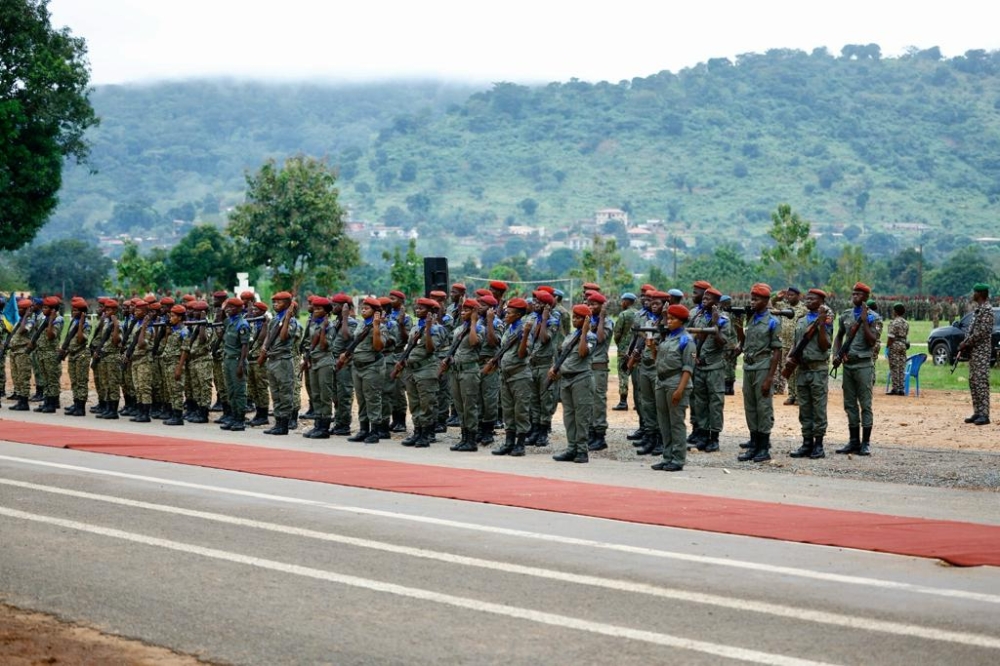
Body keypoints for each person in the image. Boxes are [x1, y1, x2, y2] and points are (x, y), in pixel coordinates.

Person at [832, 283, 880, 455]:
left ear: (866, 297)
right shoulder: (845, 315)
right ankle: (853, 441)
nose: (854, 296)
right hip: (848, 365)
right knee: (850, 404)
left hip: (863, 365)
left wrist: (865, 321)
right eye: (853, 293)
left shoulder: (874, 317)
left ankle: (865, 443)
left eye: (858, 294)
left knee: (865, 404)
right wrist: (837, 353)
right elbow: (839, 336)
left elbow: (872, 341)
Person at [737, 284, 782, 463]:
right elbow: (745, 342)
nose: (752, 302)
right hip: (749, 367)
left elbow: (777, 351)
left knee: (763, 407)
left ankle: (763, 448)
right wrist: (738, 327)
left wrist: (770, 377)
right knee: (750, 407)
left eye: (756, 299)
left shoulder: (773, 322)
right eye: (752, 298)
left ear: (765, 301)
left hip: (763, 367)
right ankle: (754, 445)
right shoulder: (752, 319)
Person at [788, 289, 834, 459]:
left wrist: (820, 325)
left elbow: (825, 345)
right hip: (802, 369)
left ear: (821, 301)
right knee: (804, 407)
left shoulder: (826, 319)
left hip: (817, 369)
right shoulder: (801, 320)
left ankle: (818, 445)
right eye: (807, 298)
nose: (808, 301)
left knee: (818, 408)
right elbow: (796, 342)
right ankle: (806, 443)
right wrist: (789, 356)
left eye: (812, 299)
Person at [397, 297, 448, 448]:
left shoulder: (437, 329)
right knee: (414, 403)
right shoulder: (415, 327)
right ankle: (417, 431)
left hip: (426, 369)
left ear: (430, 311)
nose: (417, 310)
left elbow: (431, 349)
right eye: (417, 307)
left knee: (427, 403)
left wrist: (428, 329)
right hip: (412, 369)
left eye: (421, 308)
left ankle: (427, 434)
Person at [650, 304, 694, 472]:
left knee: (676, 423)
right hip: (662, 382)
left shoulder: (686, 340)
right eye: (668, 318)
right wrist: (652, 348)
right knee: (664, 422)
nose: (668, 321)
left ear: (681, 321)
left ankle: (678, 458)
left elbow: (688, 368)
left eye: (673, 319)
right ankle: (667, 456)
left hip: (676, 382)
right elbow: (658, 361)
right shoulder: (667, 337)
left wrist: (680, 390)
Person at [551, 304, 596, 463]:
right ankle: (571, 448)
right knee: (569, 417)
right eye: (574, 317)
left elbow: (583, 352)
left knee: (581, 417)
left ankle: (582, 451)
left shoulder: (590, 337)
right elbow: (563, 355)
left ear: (586, 320)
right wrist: (555, 368)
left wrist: (584, 332)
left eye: (578, 318)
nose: (574, 320)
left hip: (581, 379)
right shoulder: (570, 336)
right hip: (566, 379)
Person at [688, 287, 730, 453]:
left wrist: (714, 323)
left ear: (716, 303)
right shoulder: (698, 316)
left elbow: (722, 342)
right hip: (699, 366)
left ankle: (714, 438)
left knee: (715, 403)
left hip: (714, 368)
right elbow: (691, 338)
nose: (704, 300)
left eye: (708, 298)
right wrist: (694, 356)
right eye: (704, 298)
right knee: (701, 403)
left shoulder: (723, 320)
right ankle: (703, 435)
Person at [490, 297, 532, 457]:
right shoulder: (509, 329)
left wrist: (525, 335)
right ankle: (509, 442)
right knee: (507, 410)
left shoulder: (524, 330)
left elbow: (522, 354)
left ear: (518, 315)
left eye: (509, 313)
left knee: (520, 410)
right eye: (506, 312)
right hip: (506, 376)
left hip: (519, 376)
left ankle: (520, 444)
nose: (506, 315)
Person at [345, 297, 388, 444]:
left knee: (373, 399)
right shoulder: (361, 324)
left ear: (376, 312)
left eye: (367, 308)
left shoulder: (381, 327)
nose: (363, 310)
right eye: (362, 307)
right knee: (361, 399)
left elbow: (378, 347)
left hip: (372, 366)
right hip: (358, 366)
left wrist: (376, 326)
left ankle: (375, 431)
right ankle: (363, 429)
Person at [259, 292, 301, 435]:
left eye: (279, 302)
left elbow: (283, 337)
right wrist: (264, 348)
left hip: (283, 360)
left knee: (285, 394)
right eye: (274, 302)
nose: (275, 304)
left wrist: (287, 318)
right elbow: (269, 336)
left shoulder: (291, 321)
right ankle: (277, 423)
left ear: (288, 304)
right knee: (275, 393)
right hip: (272, 359)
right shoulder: (275, 319)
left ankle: (284, 425)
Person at [447, 298, 485, 452]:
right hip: (456, 370)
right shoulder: (459, 329)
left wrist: (474, 322)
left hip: (469, 371)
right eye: (462, 310)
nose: (463, 312)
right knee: (459, 406)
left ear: (474, 312)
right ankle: (464, 437)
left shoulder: (479, 328)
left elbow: (474, 342)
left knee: (469, 406)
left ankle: (471, 440)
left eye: (467, 310)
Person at [959, 283, 995, 426]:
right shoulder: (978, 309)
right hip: (974, 351)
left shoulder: (987, 310)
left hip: (981, 351)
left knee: (981, 382)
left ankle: (984, 414)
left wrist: (966, 343)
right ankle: (978, 412)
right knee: (973, 381)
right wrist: (966, 343)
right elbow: (972, 330)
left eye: (974, 292)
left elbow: (981, 332)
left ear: (980, 294)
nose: (972, 294)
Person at [219, 297, 251, 431]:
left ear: (239, 309)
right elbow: (221, 319)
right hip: (228, 360)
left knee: (239, 391)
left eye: (232, 307)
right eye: (228, 306)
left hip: (237, 360)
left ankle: (240, 419)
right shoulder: (230, 322)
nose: (229, 309)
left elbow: (245, 346)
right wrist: (223, 308)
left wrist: (241, 364)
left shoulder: (242, 324)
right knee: (231, 390)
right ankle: (233, 417)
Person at [160, 304, 190, 425]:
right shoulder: (173, 330)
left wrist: (179, 368)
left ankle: (178, 416)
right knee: (171, 390)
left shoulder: (184, 331)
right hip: (168, 363)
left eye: (173, 316)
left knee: (176, 390)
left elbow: (185, 350)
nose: (170, 318)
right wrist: (167, 333)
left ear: (180, 317)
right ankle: (174, 413)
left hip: (175, 363)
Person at [61, 297, 92, 416]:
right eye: (73, 310)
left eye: (76, 310)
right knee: (74, 381)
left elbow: (80, 339)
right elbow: (69, 339)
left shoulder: (86, 324)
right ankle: (76, 403)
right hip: (73, 354)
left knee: (81, 381)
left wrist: (80, 324)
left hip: (82, 354)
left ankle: (81, 407)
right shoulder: (73, 322)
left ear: (83, 312)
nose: (73, 312)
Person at [612, 292, 638, 411]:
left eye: (622, 301)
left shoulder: (623, 315)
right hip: (637, 349)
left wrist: (619, 344)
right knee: (636, 376)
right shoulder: (639, 314)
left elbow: (617, 333)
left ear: (627, 302)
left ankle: (623, 402)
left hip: (624, 349)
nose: (621, 303)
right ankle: (638, 402)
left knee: (623, 374)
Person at [886, 303, 910, 395]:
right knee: (901, 366)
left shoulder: (894, 322)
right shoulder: (906, 323)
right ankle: (901, 389)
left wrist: (887, 347)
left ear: (895, 312)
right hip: (903, 345)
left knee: (894, 367)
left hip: (895, 345)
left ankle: (895, 388)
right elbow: (906, 335)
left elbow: (891, 337)